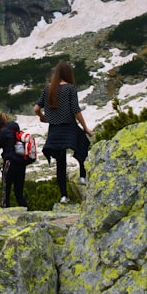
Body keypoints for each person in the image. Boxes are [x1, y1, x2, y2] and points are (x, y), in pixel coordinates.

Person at [33, 61, 93, 203]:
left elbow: (36, 108)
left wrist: (43, 117)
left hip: (54, 130)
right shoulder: (71, 88)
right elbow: (75, 110)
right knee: (82, 145)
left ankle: (64, 196)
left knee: (60, 163)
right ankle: (82, 177)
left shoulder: (48, 89)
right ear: (68, 74)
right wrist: (85, 128)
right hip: (69, 126)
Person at [0, 112, 28, 208]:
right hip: (21, 163)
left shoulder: (3, 132)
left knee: (6, 190)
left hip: (10, 163)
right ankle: (26, 211)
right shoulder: (16, 130)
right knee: (19, 192)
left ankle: (5, 210)